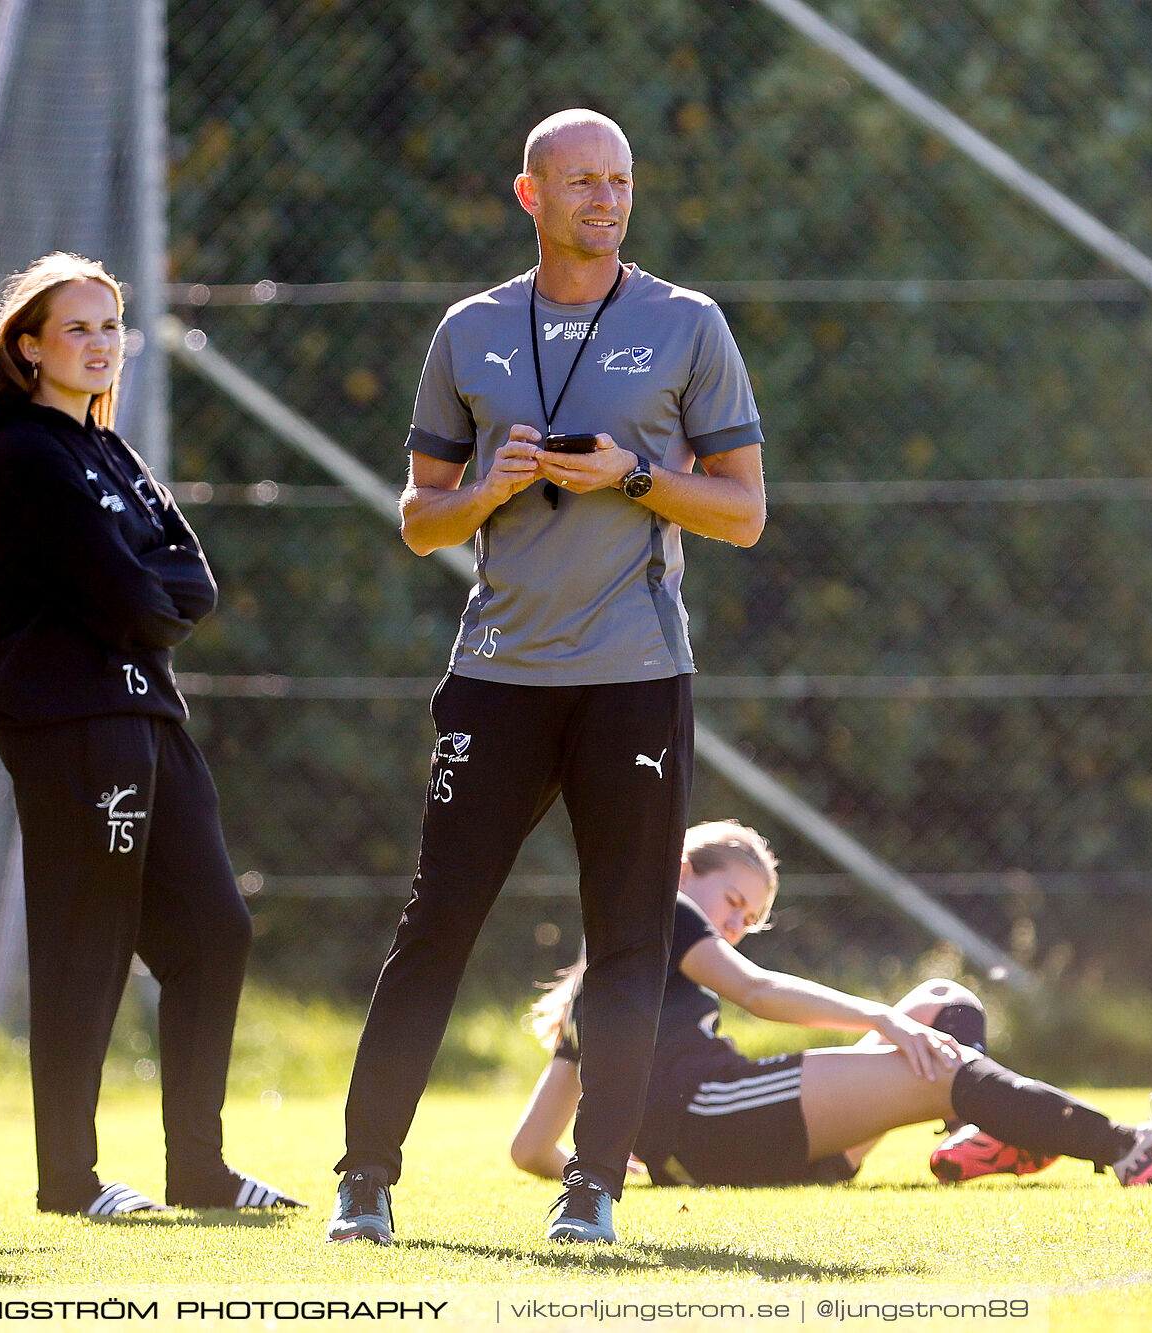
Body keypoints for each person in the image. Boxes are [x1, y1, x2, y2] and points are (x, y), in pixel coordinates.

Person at [327, 108, 767, 1247]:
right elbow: (421, 520)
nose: (605, 200)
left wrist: (635, 479)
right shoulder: (467, 329)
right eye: (580, 183)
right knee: (437, 923)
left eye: (619, 181)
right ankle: (364, 1179)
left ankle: (595, 1186)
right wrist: (487, 489)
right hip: (496, 675)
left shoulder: (687, 324)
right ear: (531, 196)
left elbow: (745, 511)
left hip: (633, 678)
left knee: (626, 936)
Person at [0, 253, 298, 1221]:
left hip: (145, 708)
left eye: (109, 327)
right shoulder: (23, 452)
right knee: (84, 940)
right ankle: (68, 1180)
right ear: (28, 347)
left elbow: (191, 583)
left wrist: (146, 600)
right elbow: (134, 592)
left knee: (214, 928)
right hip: (71, 721)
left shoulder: (106, 449)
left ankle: (199, 1168)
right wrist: (145, 598)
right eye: (77, 329)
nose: (99, 345)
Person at [509, 821, 1152, 1193]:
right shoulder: (660, 904)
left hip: (733, 1134)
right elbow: (758, 991)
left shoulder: (606, 970)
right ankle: (1129, 1146)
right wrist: (878, 1018)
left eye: (748, 919)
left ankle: (979, 1138)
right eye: (732, 903)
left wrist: (628, 1166)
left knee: (943, 1002)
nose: (733, 925)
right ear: (681, 869)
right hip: (715, 1117)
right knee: (934, 1054)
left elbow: (531, 1148)